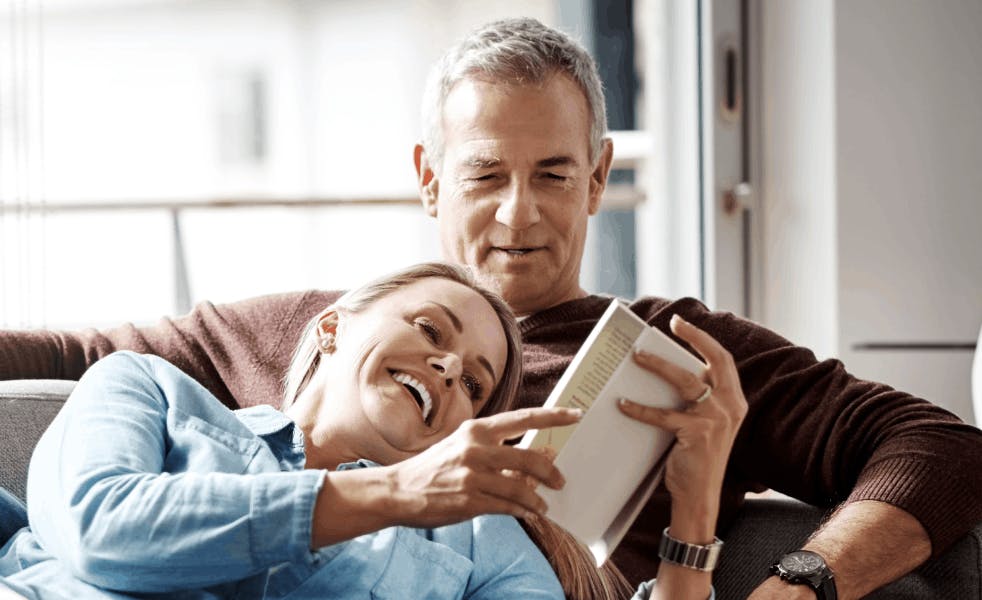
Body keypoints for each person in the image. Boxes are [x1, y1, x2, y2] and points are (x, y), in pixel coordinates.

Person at [1, 16, 979, 599]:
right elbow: (77, 357)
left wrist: (792, 587)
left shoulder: (678, 360)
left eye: (553, 173)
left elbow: (942, 450)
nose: (519, 214)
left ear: (598, 178)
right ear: (429, 179)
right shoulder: (325, 329)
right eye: (484, 176)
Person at [0, 262, 740, 600]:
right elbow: (98, 527)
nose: (451, 368)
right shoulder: (150, 390)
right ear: (330, 329)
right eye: (429, 328)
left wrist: (694, 514)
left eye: (476, 385)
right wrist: (391, 493)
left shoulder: (481, 542)